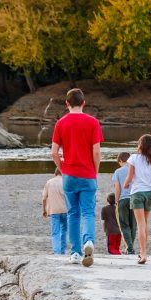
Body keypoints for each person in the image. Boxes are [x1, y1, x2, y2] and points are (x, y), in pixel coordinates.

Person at [51, 87, 103, 267]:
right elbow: (96, 152)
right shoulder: (93, 122)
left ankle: (75, 252)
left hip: (69, 175)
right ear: (84, 103)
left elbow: (54, 152)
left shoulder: (60, 123)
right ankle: (88, 241)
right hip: (88, 173)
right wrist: (95, 171)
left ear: (67, 104)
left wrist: (63, 168)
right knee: (88, 212)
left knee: (73, 213)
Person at [124, 134, 151, 265]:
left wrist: (125, 184)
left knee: (140, 224)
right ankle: (143, 252)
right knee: (145, 223)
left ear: (141, 145)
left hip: (137, 193)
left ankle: (143, 253)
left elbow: (130, 175)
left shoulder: (133, 158)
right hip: (149, 193)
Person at [112, 151, 136, 255]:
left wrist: (116, 201)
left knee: (124, 225)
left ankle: (130, 248)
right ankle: (129, 247)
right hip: (135, 199)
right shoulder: (135, 170)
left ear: (121, 161)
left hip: (123, 199)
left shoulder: (118, 171)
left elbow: (117, 188)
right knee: (133, 225)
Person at [41, 168, 69, 255]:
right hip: (66, 210)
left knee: (55, 232)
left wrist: (44, 210)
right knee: (64, 231)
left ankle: (57, 252)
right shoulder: (66, 181)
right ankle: (63, 250)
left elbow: (44, 198)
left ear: (55, 173)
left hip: (54, 210)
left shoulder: (49, 182)